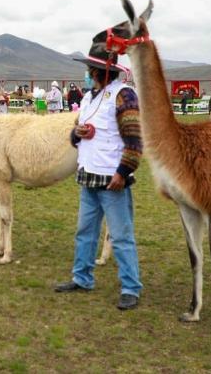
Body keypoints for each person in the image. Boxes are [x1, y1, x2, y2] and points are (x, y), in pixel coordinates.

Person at [55, 44, 144, 311]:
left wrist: (123, 172)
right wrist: (77, 133)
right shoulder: (87, 98)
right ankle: (82, 277)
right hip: (89, 175)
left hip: (112, 178)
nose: (87, 72)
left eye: (90, 68)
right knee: (85, 232)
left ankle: (131, 287)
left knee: (121, 236)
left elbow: (134, 139)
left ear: (99, 71)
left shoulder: (124, 96)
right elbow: (75, 135)